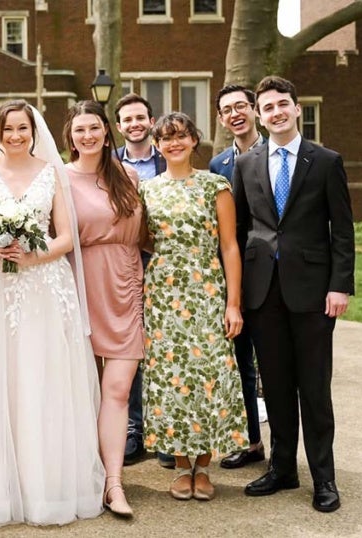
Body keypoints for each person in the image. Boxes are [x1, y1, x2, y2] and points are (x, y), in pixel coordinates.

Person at [0, 100, 104, 528]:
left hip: (43, 286)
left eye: (23, 128)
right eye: (8, 129)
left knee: (41, 376)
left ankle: (45, 487)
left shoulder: (52, 172)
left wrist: (35, 254)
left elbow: (66, 237)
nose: (16, 136)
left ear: (34, 132)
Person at [234, 76, 354, 513]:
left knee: (314, 389)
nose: (276, 112)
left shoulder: (325, 161)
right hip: (263, 291)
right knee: (277, 386)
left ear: (297, 108)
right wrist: (238, 291)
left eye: (282, 104)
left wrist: (340, 285)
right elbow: (241, 229)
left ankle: (324, 478)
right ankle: (282, 468)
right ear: (259, 115)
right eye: (268, 107)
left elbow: (342, 230)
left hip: (314, 293)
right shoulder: (247, 164)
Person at [141, 112, 246, 502]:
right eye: (166, 138)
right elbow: (144, 240)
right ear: (157, 145)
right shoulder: (147, 190)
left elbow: (229, 246)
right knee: (171, 378)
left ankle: (204, 465)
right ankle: (181, 465)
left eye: (181, 135)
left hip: (206, 291)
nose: (174, 143)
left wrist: (233, 304)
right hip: (163, 296)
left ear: (193, 140)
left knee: (207, 375)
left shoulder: (215, 185)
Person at [65, 100, 143, 518]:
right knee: (84, 390)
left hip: (126, 285)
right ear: (70, 137)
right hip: (80, 286)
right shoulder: (59, 178)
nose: (88, 136)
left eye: (94, 127)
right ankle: (85, 475)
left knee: (117, 389)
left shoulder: (128, 176)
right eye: (80, 129)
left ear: (106, 131)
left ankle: (114, 483)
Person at [209, 84, 268, 470]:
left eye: (241, 106)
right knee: (242, 362)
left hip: (273, 272)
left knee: (275, 366)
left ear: (254, 110)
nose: (235, 114)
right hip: (235, 275)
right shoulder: (218, 166)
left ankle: (285, 448)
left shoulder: (276, 153)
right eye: (227, 110)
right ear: (220, 119)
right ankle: (251, 442)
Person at [113, 93, 169, 469]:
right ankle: (134, 429)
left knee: (162, 344)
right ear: (119, 127)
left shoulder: (170, 157)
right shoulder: (109, 164)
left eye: (140, 117)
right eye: (127, 119)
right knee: (131, 345)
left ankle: (165, 431)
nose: (134, 124)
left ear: (151, 121)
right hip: (125, 262)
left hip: (164, 261)